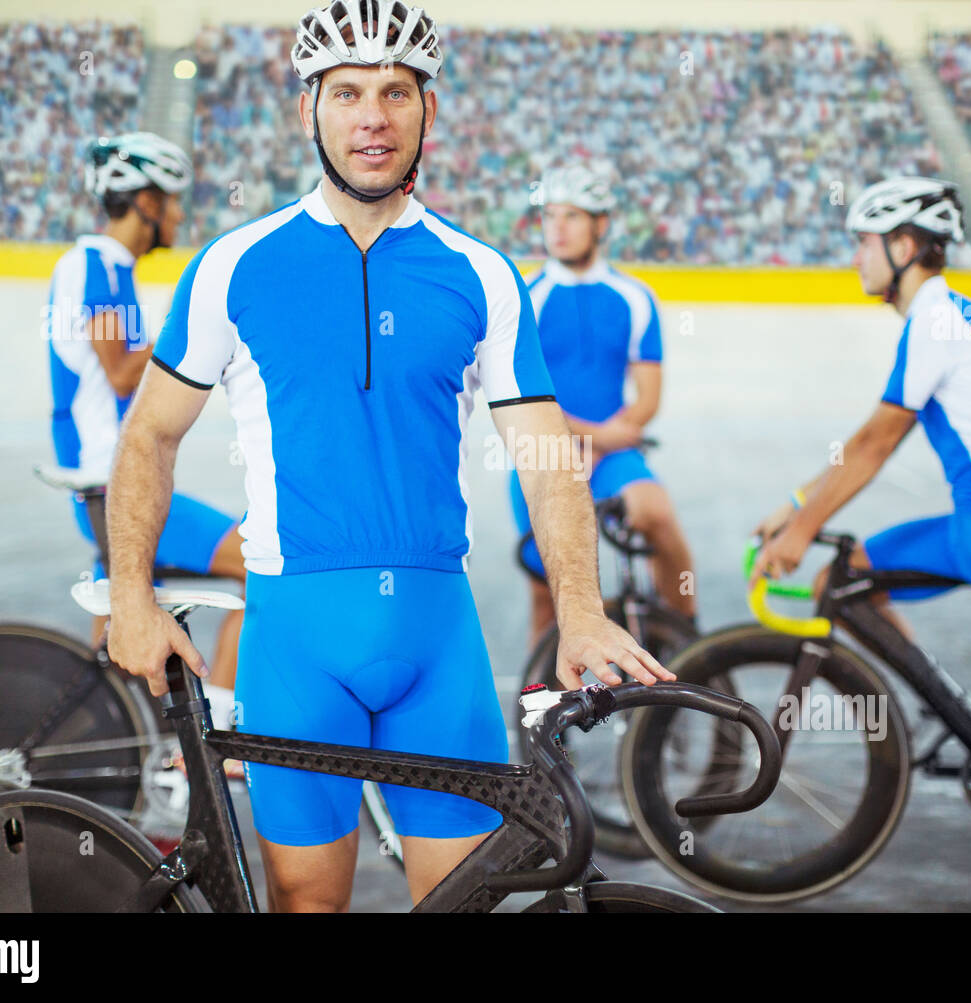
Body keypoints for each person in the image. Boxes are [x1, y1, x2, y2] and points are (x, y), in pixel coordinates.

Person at [103, 0, 671, 914]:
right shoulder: (235, 265)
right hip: (295, 640)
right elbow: (150, 435)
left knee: (462, 904)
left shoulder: (479, 274)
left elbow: (544, 452)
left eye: (397, 92)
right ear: (308, 110)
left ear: (427, 112)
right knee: (307, 906)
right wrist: (131, 594)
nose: (373, 114)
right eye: (349, 92)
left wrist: (583, 610)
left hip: (436, 640)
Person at [751, 177, 971, 914]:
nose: (855, 257)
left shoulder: (936, 318)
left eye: (864, 243)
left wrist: (801, 526)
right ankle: (950, 705)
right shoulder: (932, 318)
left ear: (904, 246)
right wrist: (795, 508)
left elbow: (874, 442)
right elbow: (864, 446)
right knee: (851, 575)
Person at [45, 132, 245, 719]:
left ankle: (95, 738)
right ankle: (216, 746)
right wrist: (199, 330)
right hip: (115, 483)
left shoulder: (105, 267)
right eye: (174, 200)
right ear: (146, 204)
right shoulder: (99, 263)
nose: (181, 213)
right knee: (258, 565)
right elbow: (124, 370)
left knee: (112, 649)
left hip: (103, 485)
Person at [513, 162, 697, 648]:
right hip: (545, 453)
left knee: (656, 514)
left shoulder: (635, 297)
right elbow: (519, 397)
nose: (557, 227)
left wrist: (599, 443)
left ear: (602, 224)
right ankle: (542, 711)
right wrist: (583, 439)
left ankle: (688, 639)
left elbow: (649, 398)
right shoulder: (525, 297)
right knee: (544, 592)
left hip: (613, 452)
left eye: (572, 216)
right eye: (550, 215)